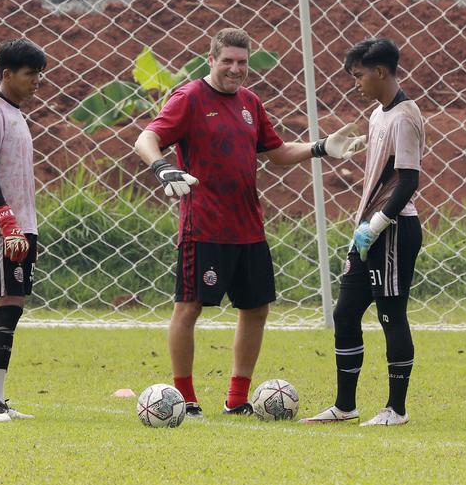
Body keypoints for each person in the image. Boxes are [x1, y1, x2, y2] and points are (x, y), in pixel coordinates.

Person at [134, 27, 365, 417]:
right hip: (203, 226)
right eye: (227, 61)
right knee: (189, 308)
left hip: (248, 226)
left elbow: (276, 153)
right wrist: (161, 167)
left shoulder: (250, 102)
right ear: (212, 60)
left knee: (256, 309)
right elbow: (146, 139)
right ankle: (185, 398)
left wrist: (321, 147)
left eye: (242, 62)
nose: (235, 69)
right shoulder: (189, 97)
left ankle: (237, 399)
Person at [301, 38, 425, 427]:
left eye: (359, 76)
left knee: (391, 314)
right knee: (345, 313)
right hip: (368, 230)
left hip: (393, 228)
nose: (356, 84)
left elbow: (408, 180)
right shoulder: (378, 114)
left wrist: (378, 224)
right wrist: (362, 146)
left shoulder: (405, 116)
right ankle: (345, 406)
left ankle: (396, 410)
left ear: (380, 72)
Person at [0, 38, 47, 422]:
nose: (36, 81)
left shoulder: (15, 113)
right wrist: (6, 219)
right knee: (7, 305)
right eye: (30, 73)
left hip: (21, 225)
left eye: (39, 74)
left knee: (11, 306)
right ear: (7, 74)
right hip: (2, 226)